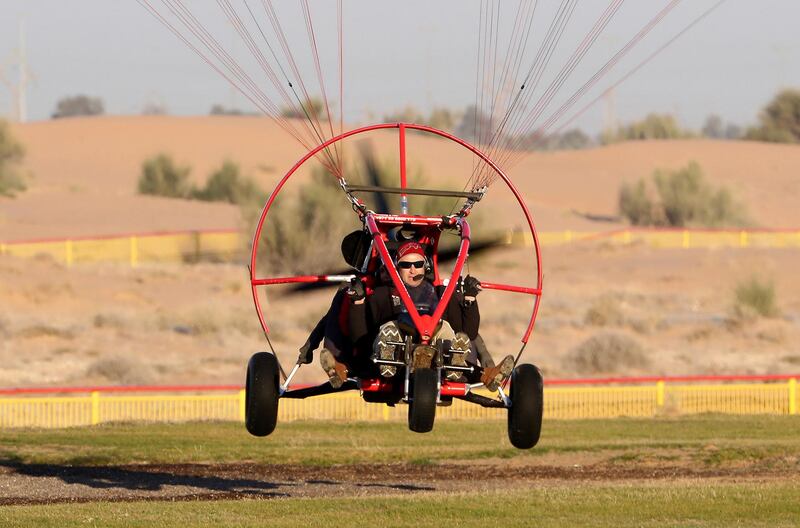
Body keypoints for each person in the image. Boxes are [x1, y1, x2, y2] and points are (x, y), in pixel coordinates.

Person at [346, 240, 514, 391]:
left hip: (433, 345)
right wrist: (358, 302)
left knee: (446, 327)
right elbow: (360, 337)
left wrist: (469, 299)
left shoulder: (439, 293)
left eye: (418, 264)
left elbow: (469, 332)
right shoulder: (383, 294)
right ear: (397, 267)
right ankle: (388, 358)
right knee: (389, 328)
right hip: (399, 343)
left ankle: (454, 361)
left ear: (424, 267)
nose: (413, 270)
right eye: (406, 265)